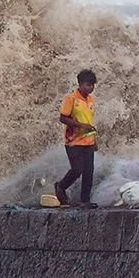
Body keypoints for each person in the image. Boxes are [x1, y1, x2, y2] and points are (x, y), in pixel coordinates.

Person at [55, 69, 97, 206]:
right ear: (79, 84)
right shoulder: (71, 98)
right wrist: (80, 125)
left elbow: (89, 122)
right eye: (87, 84)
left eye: (91, 85)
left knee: (89, 171)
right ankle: (60, 187)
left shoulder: (91, 100)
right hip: (73, 140)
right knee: (77, 169)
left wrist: (94, 140)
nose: (89, 88)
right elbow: (63, 118)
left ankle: (85, 201)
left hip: (88, 141)